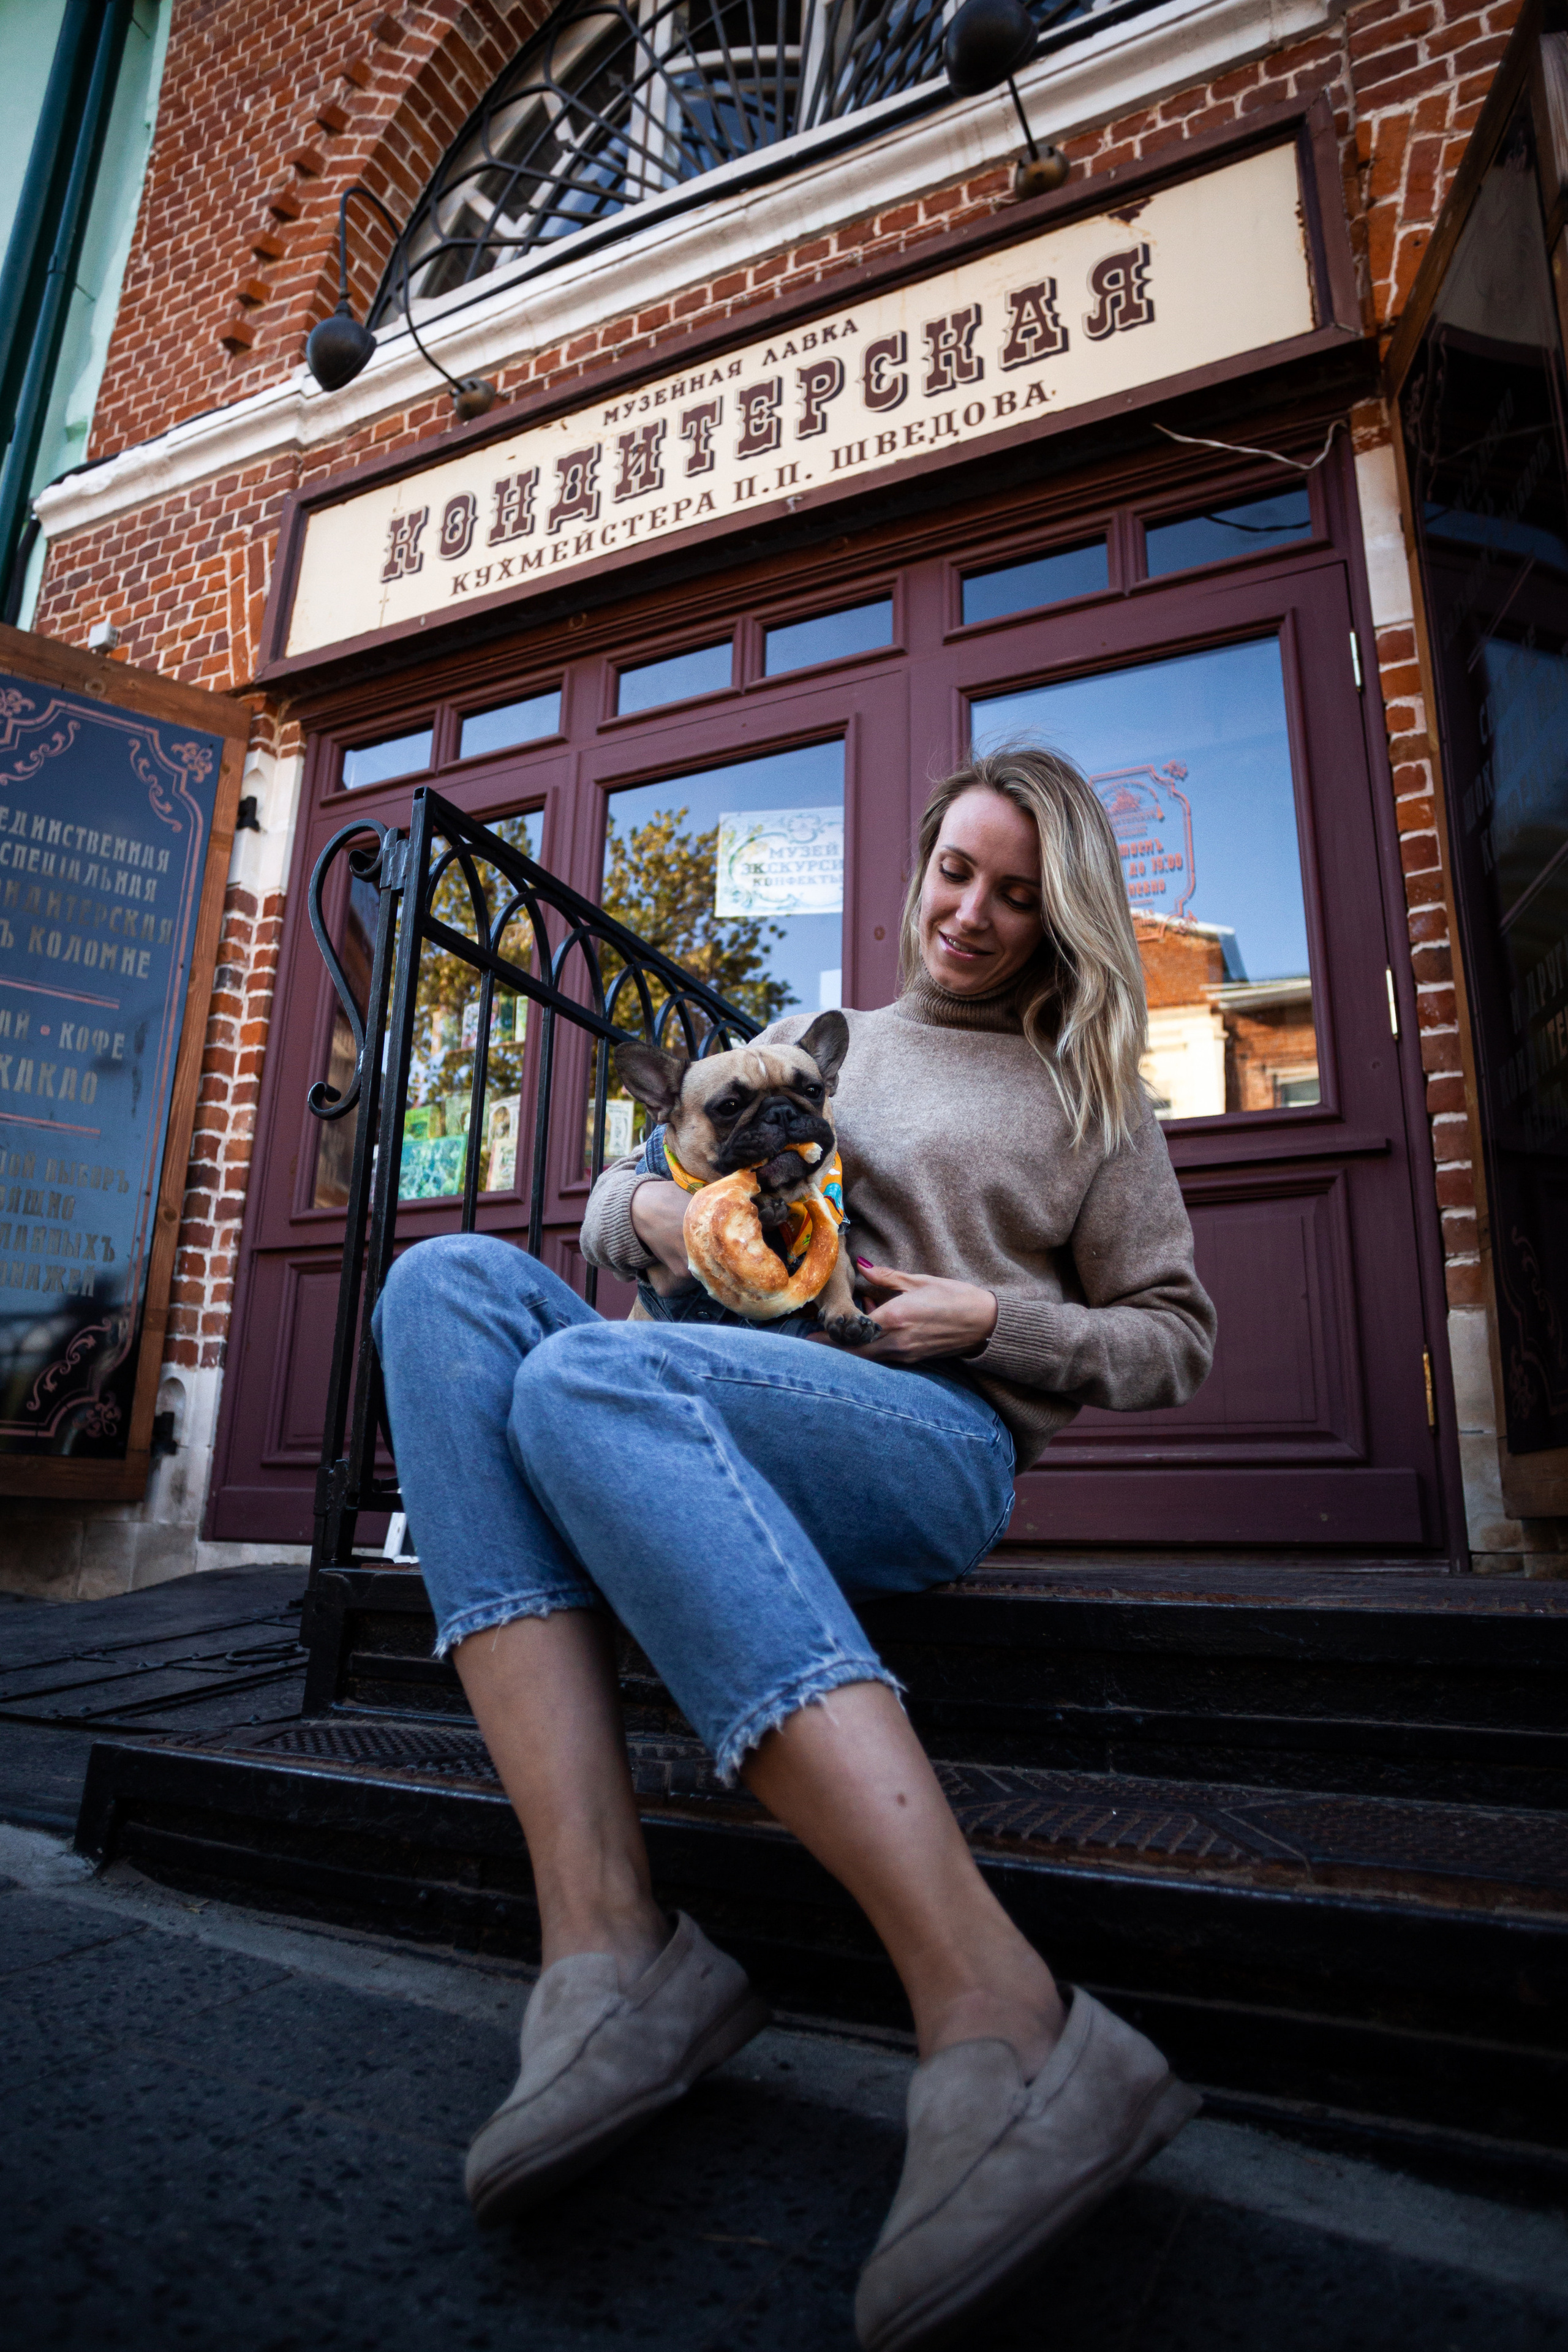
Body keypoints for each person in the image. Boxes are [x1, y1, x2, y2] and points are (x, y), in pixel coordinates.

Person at [373, 747, 1217, 2351]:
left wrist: (998, 1317)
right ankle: (610, 1949)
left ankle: (1010, 2021)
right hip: (703, 1372)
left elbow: (1170, 1335)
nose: (971, 911)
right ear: (915, 870)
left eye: (1019, 894)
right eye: (954, 870)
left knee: (592, 1370)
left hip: (924, 1435)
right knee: (442, 1291)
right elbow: (619, 1188)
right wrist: (659, 1219)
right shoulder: (810, 1045)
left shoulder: (1089, 1093)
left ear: (1062, 922)